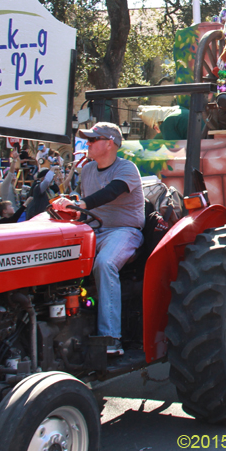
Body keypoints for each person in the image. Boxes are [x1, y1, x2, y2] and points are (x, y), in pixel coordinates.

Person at [53, 122, 144, 356]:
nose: (88, 144)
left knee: (105, 263)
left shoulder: (127, 168)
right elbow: (85, 202)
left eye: (93, 140)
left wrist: (81, 204)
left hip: (124, 231)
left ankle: (111, 338)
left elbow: (110, 192)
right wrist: (70, 204)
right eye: (87, 140)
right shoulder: (87, 170)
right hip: (94, 229)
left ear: (110, 143)